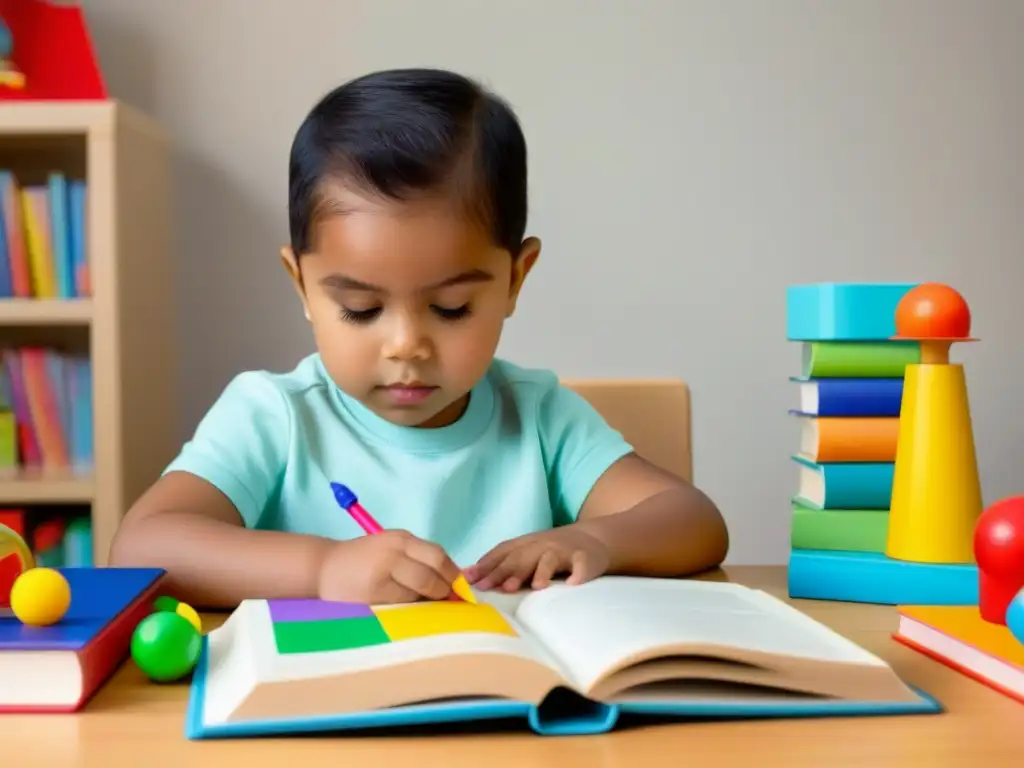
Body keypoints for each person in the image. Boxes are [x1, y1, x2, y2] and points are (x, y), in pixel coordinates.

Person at [109, 68, 729, 608]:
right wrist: (323, 568)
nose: (406, 345)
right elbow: (141, 548)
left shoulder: (539, 418)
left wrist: (594, 539)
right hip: (323, 722)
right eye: (360, 309)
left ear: (516, 278)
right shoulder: (274, 417)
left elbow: (695, 522)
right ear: (301, 285)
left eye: (452, 308)